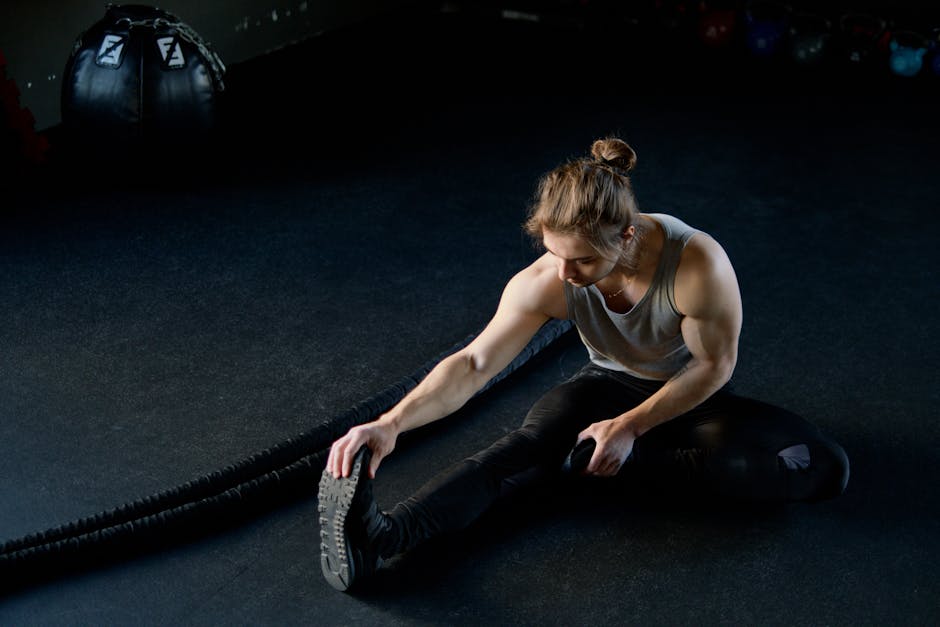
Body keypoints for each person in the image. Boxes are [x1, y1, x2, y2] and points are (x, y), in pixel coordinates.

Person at [316, 137, 850, 592]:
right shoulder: (549, 277)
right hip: (601, 389)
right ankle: (384, 536)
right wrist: (391, 423)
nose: (566, 273)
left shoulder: (695, 263)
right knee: (522, 453)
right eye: (555, 254)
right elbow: (475, 363)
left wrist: (630, 427)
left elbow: (713, 366)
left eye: (584, 260)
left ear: (626, 235)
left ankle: (623, 465)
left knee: (821, 466)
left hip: (687, 396)